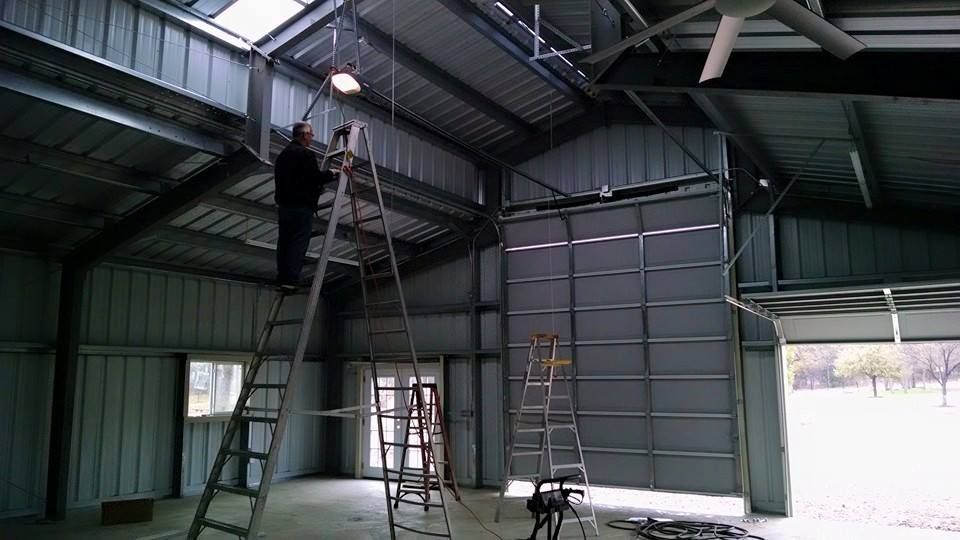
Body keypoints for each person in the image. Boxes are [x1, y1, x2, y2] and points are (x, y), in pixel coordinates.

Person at [274, 121, 348, 289]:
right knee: (298, 242)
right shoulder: (305, 154)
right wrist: (332, 173)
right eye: (311, 135)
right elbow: (314, 177)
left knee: (284, 243)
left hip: (284, 207)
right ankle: (291, 280)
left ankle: (282, 278)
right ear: (304, 135)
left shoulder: (283, 155)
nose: (312, 138)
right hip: (301, 206)